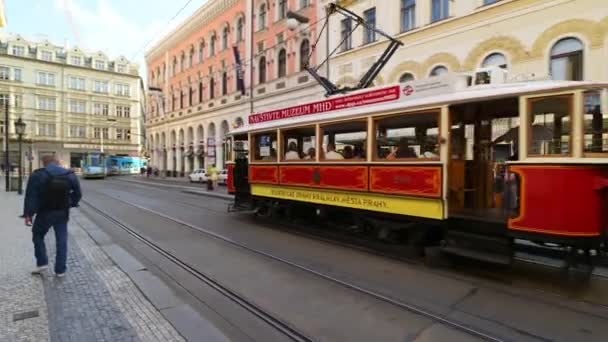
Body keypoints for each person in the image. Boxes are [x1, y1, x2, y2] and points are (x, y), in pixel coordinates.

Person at [23, 155, 82, 277]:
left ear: (44, 163)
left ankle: (42, 263)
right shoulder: (69, 174)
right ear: (57, 162)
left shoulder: (37, 175)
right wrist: (71, 203)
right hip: (62, 212)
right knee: (62, 240)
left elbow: (31, 196)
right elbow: (78, 193)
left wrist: (28, 214)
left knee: (38, 235)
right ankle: (60, 270)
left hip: (44, 212)